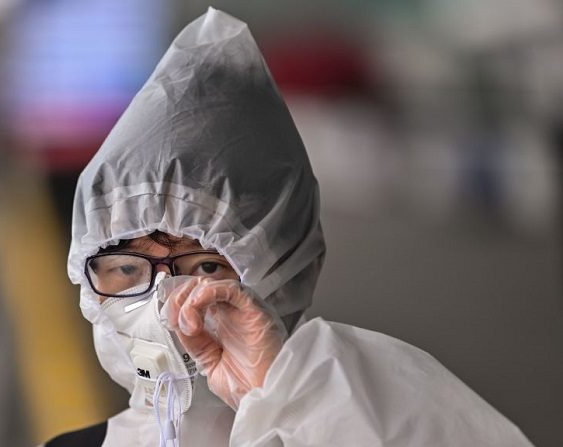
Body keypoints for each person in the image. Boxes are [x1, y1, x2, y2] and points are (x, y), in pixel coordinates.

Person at [48, 7, 532, 447]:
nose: (165, 303)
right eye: (127, 269)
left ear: (284, 270)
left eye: (205, 266)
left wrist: (290, 401)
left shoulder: (379, 416)